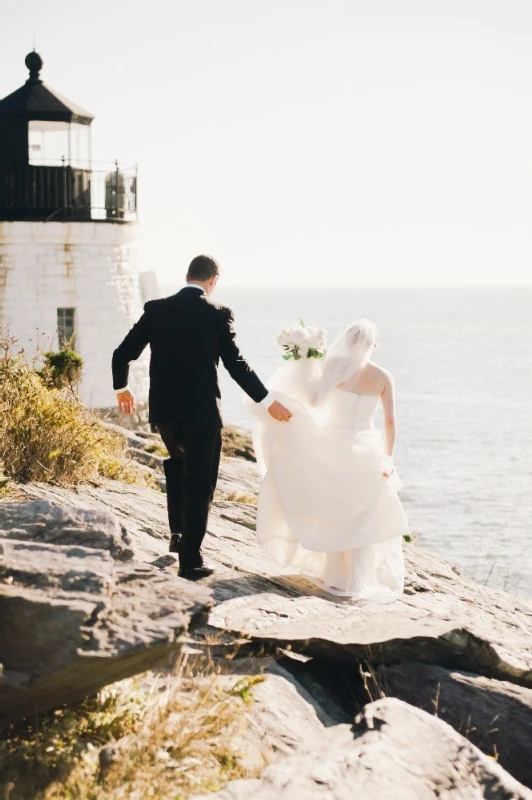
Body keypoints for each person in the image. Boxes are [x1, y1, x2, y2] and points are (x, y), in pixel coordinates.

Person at [112, 254, 292, 580]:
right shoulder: (218, 314)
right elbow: (236, 365)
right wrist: (268, 401)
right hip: (202, 413)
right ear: (212, 282)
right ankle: (190, 561)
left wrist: (122, 388)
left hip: (165, 412)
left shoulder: (157, 309)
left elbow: (121, 353)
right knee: (200, 483)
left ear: (187, 276)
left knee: (177, 464)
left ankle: (178, 534)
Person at [248, 318, 408, 602]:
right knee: (363, 517)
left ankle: (336, 578)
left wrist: (302, 365)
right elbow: (390, 421)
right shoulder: (383, 376)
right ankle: (356, 581)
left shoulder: (332, 369)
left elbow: (312, 402)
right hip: (366, 448)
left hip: (333, 445)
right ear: (374, 345)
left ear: (347, 343)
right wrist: (388, 458)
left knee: (337, 513)